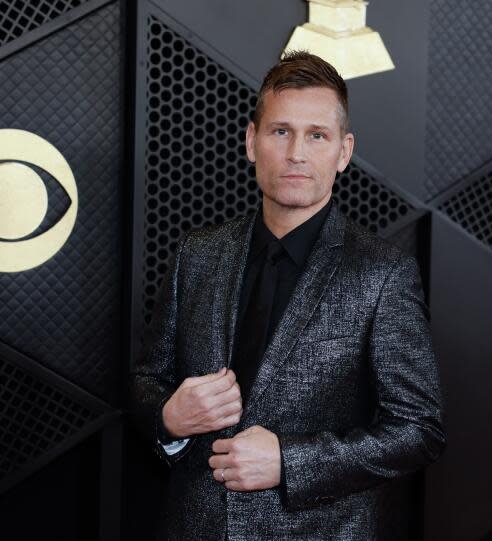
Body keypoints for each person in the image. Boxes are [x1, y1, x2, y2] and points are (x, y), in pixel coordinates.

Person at [129, 50, 446, 540]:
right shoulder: (198, 253)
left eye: (316, 135)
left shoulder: (383, 272)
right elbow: (148, 380)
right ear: (252, 141)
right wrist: (169, 417)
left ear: (343, 152)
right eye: (281, 131)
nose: (297, 151)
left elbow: (418, 430)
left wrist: (289, 460)